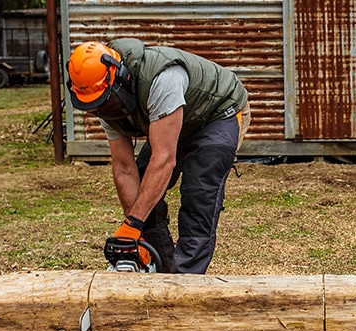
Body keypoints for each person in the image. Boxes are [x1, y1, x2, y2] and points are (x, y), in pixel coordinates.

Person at [66, 39, 250, 274]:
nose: (101, 111)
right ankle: (160, 267)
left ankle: (185, 282)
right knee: (145, 187)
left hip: (218, 113)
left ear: (120, 79)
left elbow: (164, 160)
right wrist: (134, 231)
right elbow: (124, 168)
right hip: (174, 117)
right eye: (94, 106)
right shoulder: (101, 97)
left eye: (105, 103)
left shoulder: (161, 79)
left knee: (199, 192)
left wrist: (132, 223)